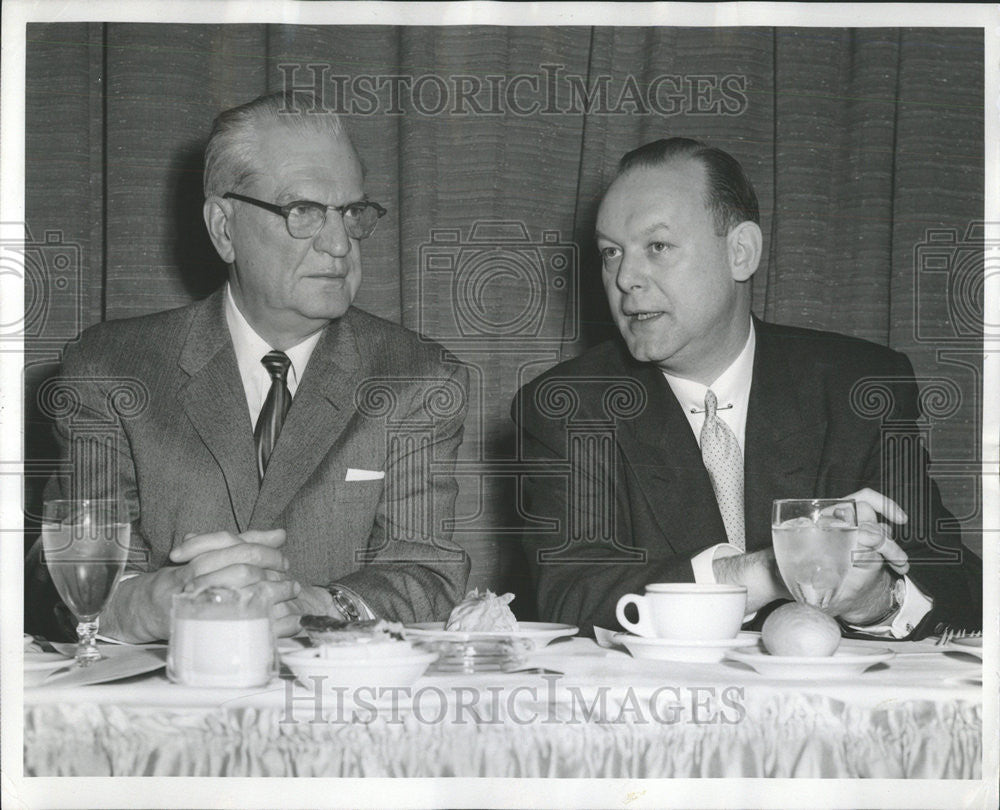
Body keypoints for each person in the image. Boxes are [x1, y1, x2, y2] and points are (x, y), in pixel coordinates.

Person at [30, 91, 470, 642]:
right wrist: (146, 604)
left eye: (353, 213)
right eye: (303, 212)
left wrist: (306, 604)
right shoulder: (109, 371)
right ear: (223, 227)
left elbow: (428, 575)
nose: (339, 244)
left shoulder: (419, 378)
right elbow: (60, 575)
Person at [512, 137, 982, 639]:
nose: (625, 277)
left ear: (741, 252)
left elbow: (961, 587)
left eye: (658, 246)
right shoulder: (568, 406)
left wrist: (876, 600)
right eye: (611, 253)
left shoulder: (859, 386)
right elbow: (570, 597)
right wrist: (770, 570)